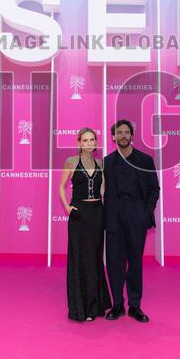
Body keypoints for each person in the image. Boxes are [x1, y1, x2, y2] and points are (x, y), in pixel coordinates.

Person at [103, 119, 159, 323]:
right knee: (114, 262)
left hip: (137, 215)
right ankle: (117, 304)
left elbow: (154, 189)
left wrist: (146, 212)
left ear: (132, 136)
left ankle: (135, 306)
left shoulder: (145, 160)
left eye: (127, 132)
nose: (123, 136)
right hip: (114, 216)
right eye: (119, 133)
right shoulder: (108, 162)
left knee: (135, 262)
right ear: (113, 137)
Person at [58, 127, 112, 322]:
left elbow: (103, 187)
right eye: (85, 140)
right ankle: (81, 307)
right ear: (79, 143)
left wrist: (103, 200)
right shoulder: (71, 162)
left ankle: (95, 306)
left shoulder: (100, 163)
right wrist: (68, 207)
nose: (89, 143)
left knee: (95, 257)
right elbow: (61, 187)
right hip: (79, 215)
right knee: (80, 258)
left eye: (92, 140)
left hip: (97, 214)